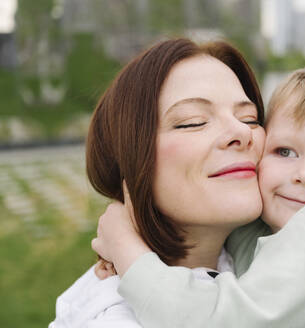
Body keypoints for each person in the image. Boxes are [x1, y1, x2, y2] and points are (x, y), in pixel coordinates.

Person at [92, 60, 305, 327]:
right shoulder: (267, 229)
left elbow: (214, 320)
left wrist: (125, 247)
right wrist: (137, 227)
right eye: (286, 151)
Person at [49, 38, 267, 327]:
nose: (241, 131)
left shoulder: (269, 266)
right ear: (130, 159)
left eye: (249, 118)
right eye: (193, 121)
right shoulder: (115, 319)